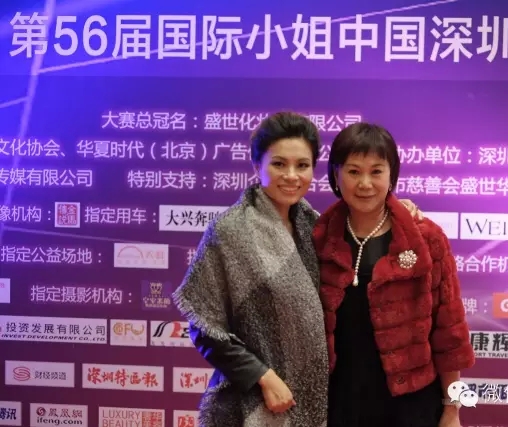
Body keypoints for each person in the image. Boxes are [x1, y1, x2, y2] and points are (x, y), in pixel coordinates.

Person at [172, 112, 423, 427]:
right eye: (279, 164)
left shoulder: (313, 226)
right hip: (254, 398)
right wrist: (262, 376)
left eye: (302, 165)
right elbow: (204, 328)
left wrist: (399, 211)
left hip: (314, 395)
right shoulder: (231, 231)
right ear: (257, 165)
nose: (291, 176)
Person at [312, 122, 475, 427]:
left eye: (376, 171)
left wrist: (452, 409)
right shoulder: (318, 239)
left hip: (411, 405)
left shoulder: (425, 238)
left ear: (392, 174)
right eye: (353, 171)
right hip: (338, 403)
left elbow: (449, 332)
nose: (365, 183)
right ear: (335, 174)